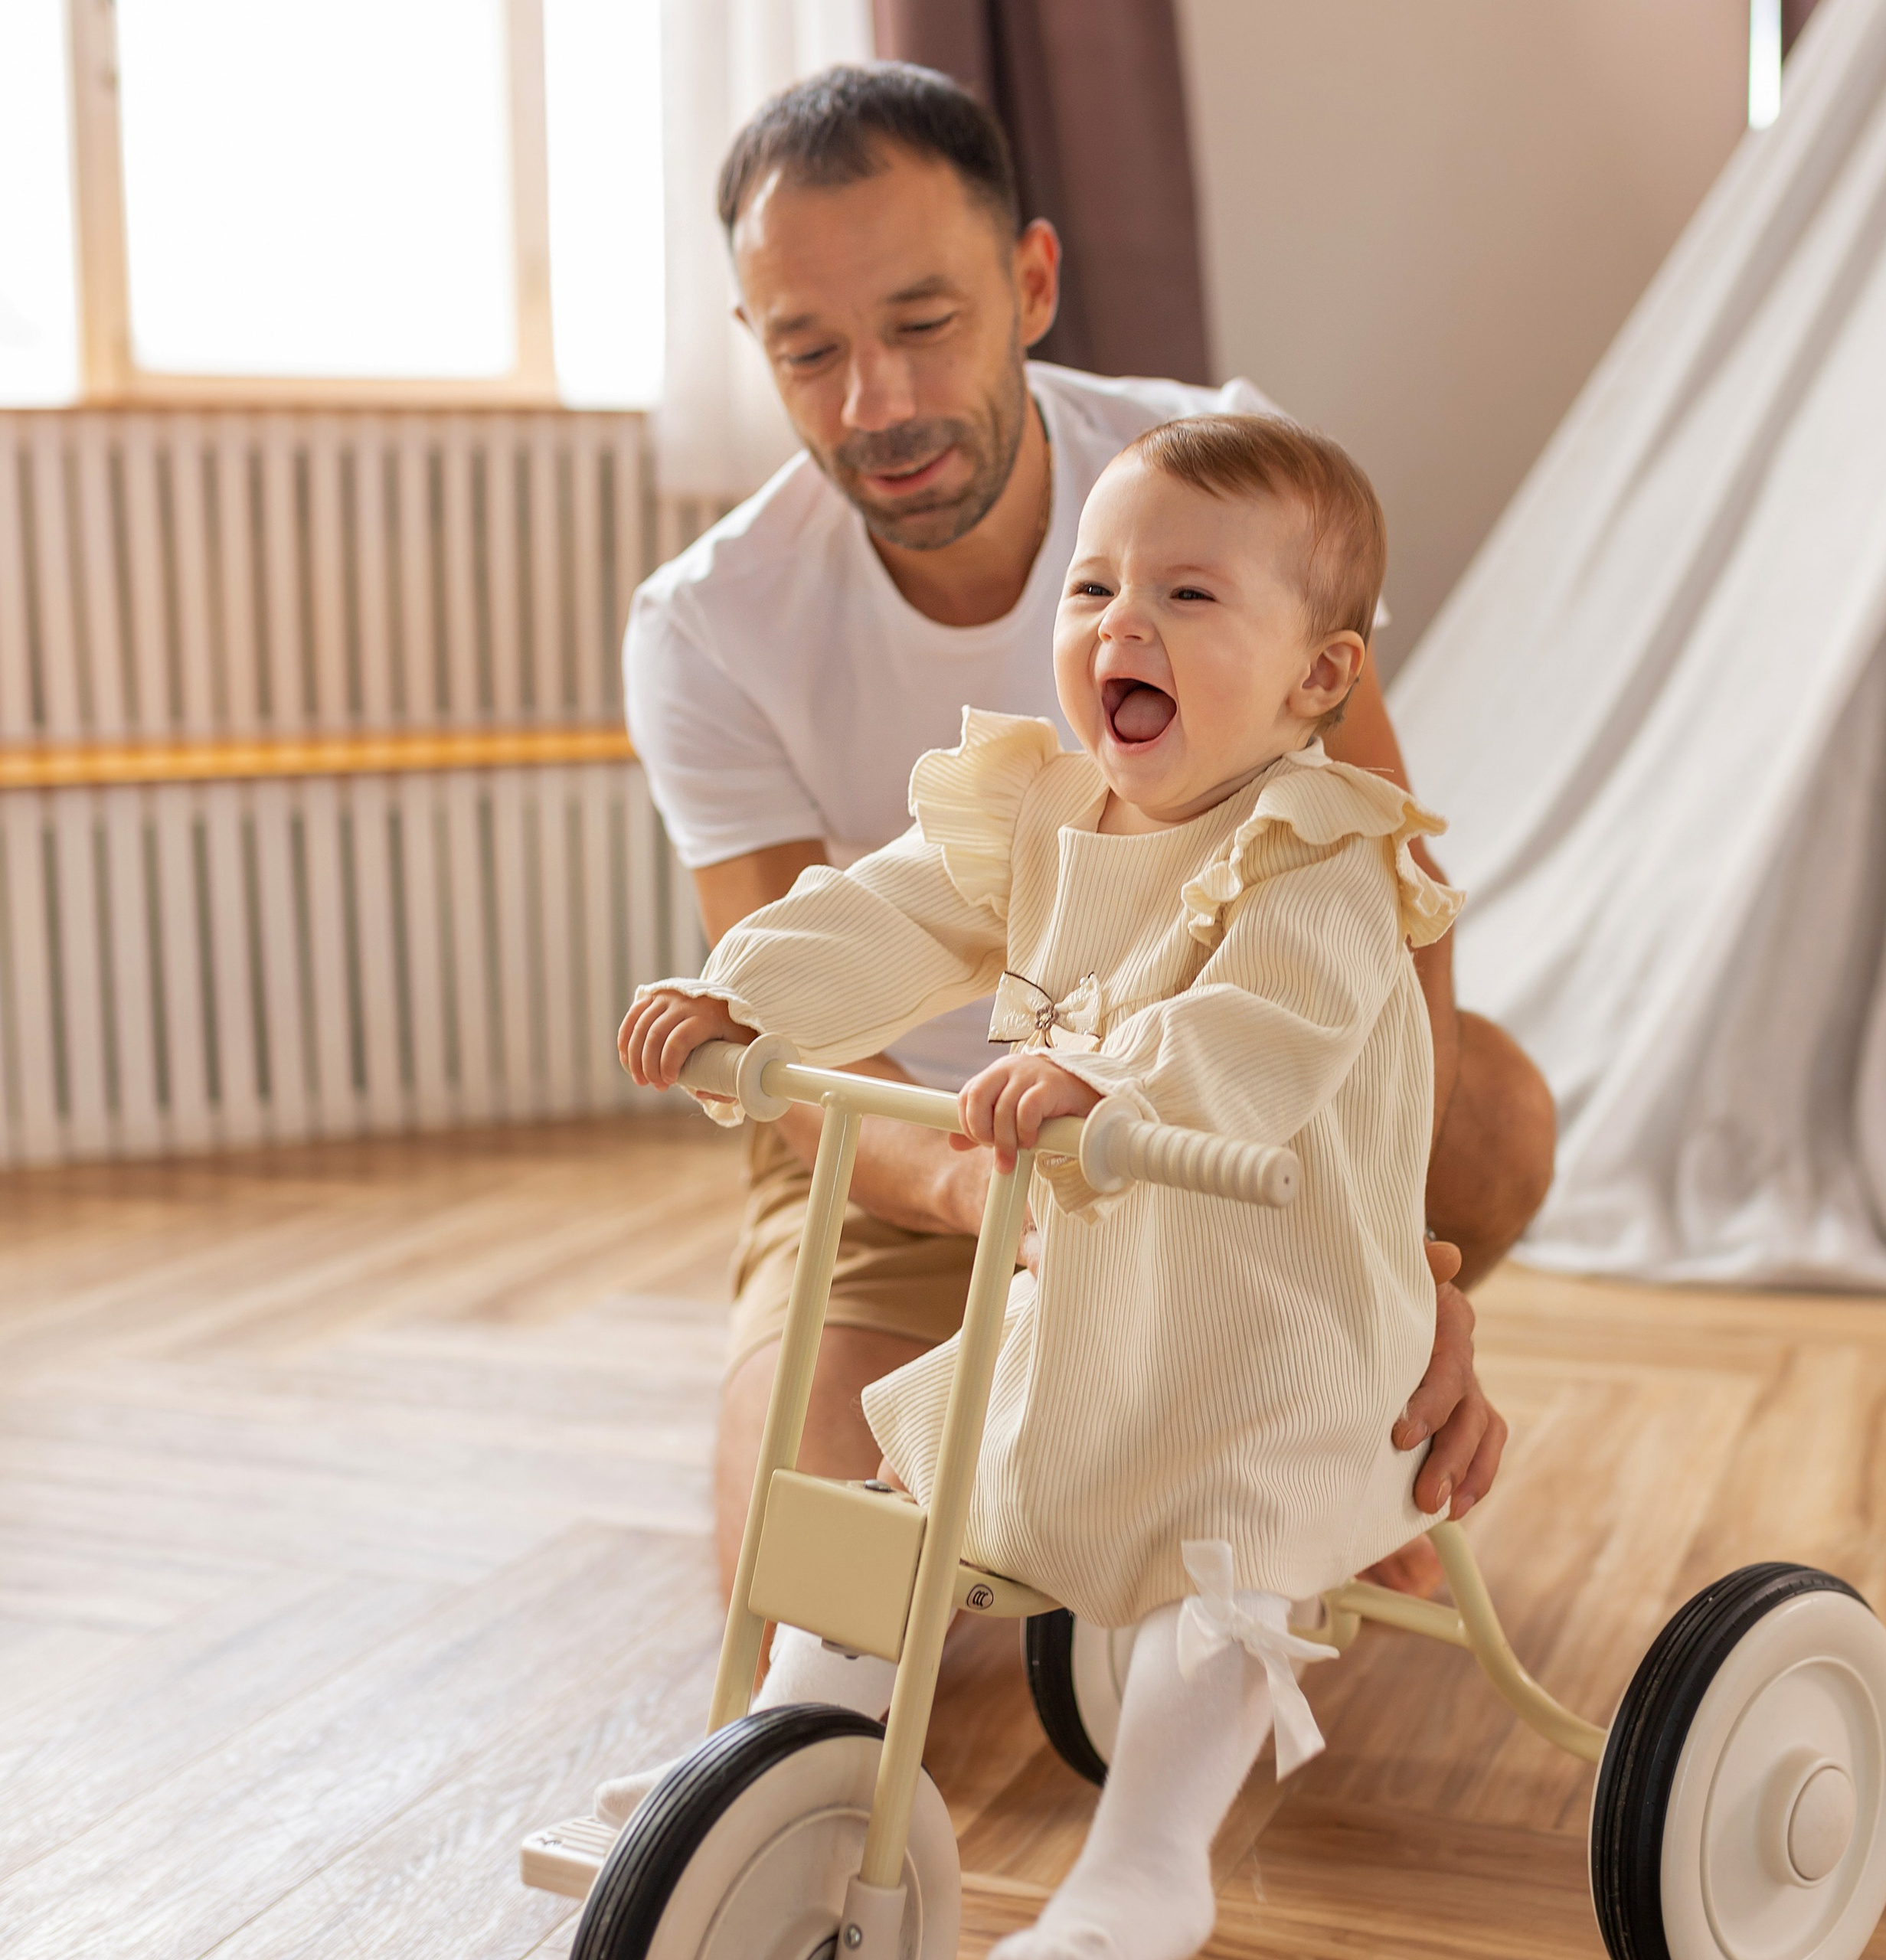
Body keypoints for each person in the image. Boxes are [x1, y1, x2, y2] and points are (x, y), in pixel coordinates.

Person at [622, 63, 1552, 1609]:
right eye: (811, 348)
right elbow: (844, 963)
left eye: (923, 323)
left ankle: (1302, 1430)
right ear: (752, 348)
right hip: (914, 1151)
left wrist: (1390, 1279)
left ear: (1031, 281)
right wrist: (782, 1027)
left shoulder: (1231, 485)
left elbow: (1383, 885)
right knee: (808, 1589)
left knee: (1488, 1114)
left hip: (1200, 1116)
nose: (880, 404)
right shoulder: (712, 626)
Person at [623, 412, 1459, 1960]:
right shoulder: (1054, 812)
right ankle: (779, 1754)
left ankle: (1147, 1864)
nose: (1120, 623)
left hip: (1285, 1322)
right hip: (1086, 1285)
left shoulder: (1320, 857)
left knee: (1225, 1544)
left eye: (1188, 597)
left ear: (1317, 676)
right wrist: (752, 997)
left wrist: (1106, 1077)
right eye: (1090, 590)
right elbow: (893, 904)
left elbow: (1261, 1026)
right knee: (914, 1479)